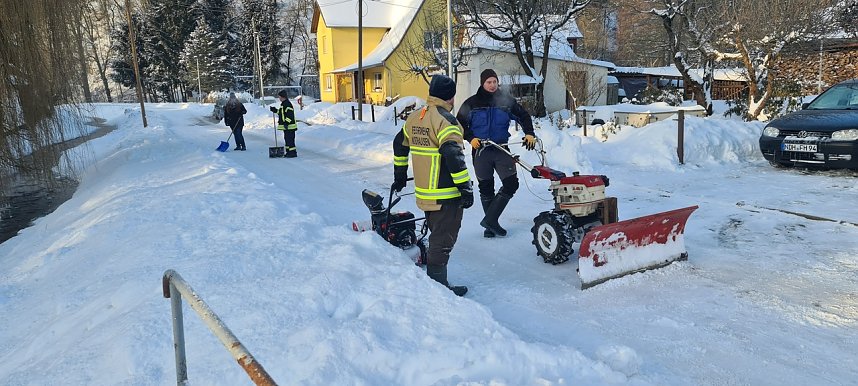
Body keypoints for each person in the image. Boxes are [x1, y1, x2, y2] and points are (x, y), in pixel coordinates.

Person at [392, 74, 473, 297]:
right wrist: (465, 187)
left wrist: (400, 175)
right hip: (445, 195)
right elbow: (453, 155)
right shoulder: (446, 121)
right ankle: (438, 288)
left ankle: (436, 278)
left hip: (425, 193)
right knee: (443, 239)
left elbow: (399, 144)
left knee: (437, 234)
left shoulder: (416, 116)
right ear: (451, 97)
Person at [456, 69, 537, 238]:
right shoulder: (472, 103)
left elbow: (523, 116)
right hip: (481, 150)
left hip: (501, 148)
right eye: (488, 82)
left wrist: (529, 133)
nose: (492, 85)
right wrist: (470, 138)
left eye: (494, 81)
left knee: (511, 183)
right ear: (482, 83)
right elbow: (460, 124)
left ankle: (490, 220)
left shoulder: (506, 101)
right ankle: (490, 226)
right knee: (486, 188)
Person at [270, 90, 298, 157]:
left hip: (290, 126)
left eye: (279, 97)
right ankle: (289, 152)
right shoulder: (283, 104)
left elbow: (290, 115)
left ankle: (292, 153)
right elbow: (281, 113)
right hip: (287, 127)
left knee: (290, 140)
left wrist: (286, 123)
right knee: (287, 139)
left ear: (283, 97)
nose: (279, 98)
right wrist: (274, 110)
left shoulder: (287, 104)